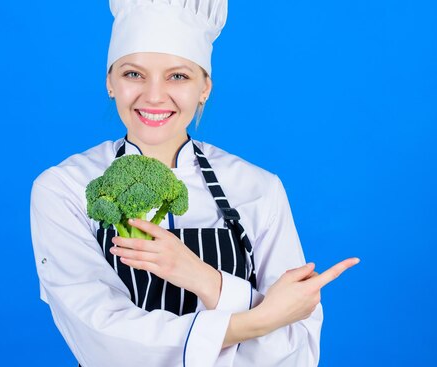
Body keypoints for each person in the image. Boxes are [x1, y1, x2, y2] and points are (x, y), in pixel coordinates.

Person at [29, 0, 359, 366]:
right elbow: (103, 340)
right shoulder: (64, 188)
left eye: (178, 76)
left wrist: (204, 279)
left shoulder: (258, 188)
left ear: (205, 87)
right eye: (133, 74)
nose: (154, 96)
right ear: (110, 82)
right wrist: (259, 319)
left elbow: (295, 351)